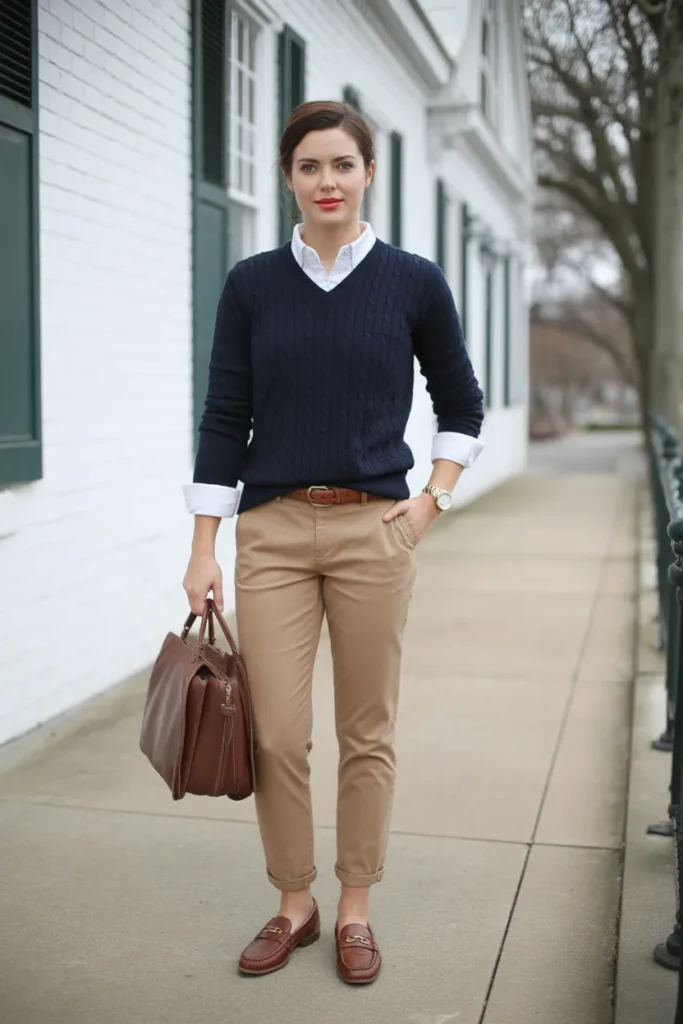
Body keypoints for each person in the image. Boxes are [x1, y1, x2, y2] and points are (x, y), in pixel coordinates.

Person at [182, 100, 484, 985]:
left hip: (372, 527)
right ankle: (294, 901)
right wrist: (205, 546)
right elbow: (223, 417)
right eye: (310, 166)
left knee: (366, 730)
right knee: (274, 734)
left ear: (368, 174)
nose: (327, 182)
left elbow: (460, 404)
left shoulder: (413, 281)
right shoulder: (251, 285)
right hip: (271, 531)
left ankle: (354, 905)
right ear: (287, 177)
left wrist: (432, 500)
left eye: (342, 165)